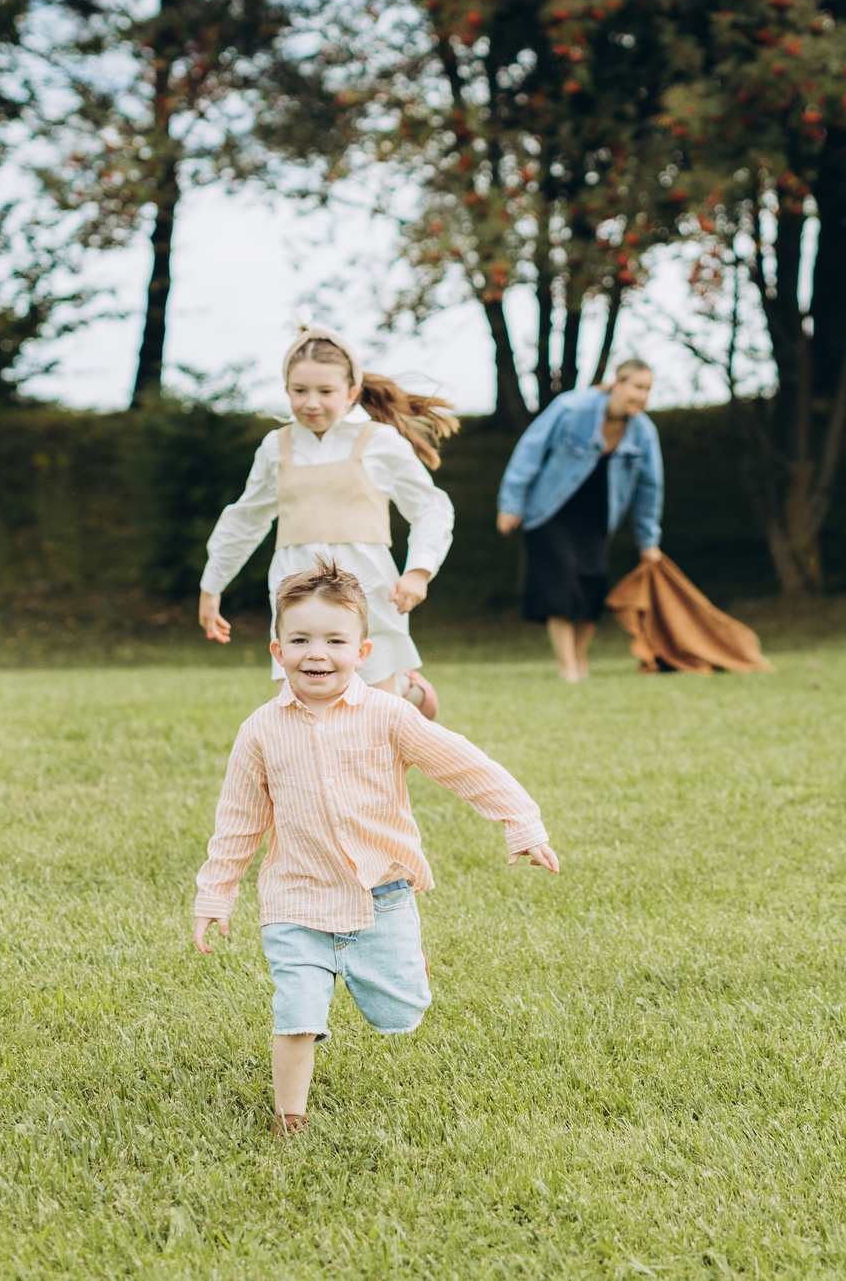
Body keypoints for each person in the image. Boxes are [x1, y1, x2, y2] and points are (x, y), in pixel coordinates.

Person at [192, 564, 560, 1136]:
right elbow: (238, 821)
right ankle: (290, 1117)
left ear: (362, 650)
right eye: (301, 640)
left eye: (335, 641)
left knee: (399, 1011)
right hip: (296, 900)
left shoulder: (389, 716)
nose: (318, 653)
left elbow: (464, 765)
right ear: (277, 649)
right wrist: (215, 893)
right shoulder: (260, 731)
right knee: (297, 1011)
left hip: (381, 896)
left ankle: (406, 958)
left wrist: (521, 821)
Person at [199, 326, 457, 717]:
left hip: (368, 590)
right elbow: (246, 517)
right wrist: (212, 585)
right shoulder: (276, 447)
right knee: (305, 709)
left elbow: (430, 507)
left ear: (352, 392)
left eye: (325, 392)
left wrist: (419, 570)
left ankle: (400, 688)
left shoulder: (379, 442)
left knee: (376, 712)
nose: (311, 403)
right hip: (296, 594)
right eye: (299, 391)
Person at [495, 358, 665, 682]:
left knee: (591, 585)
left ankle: (580, 661)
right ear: (618, 384)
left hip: (597, 519)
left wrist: (649, 541)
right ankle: (567, 666)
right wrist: (510, 503)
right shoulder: (572, 408)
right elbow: (530, 450)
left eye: (648, 390)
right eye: (637, 387)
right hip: (550, 511)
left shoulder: (643, 433)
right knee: (561, 583)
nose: (643, 396)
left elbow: (650, 489)